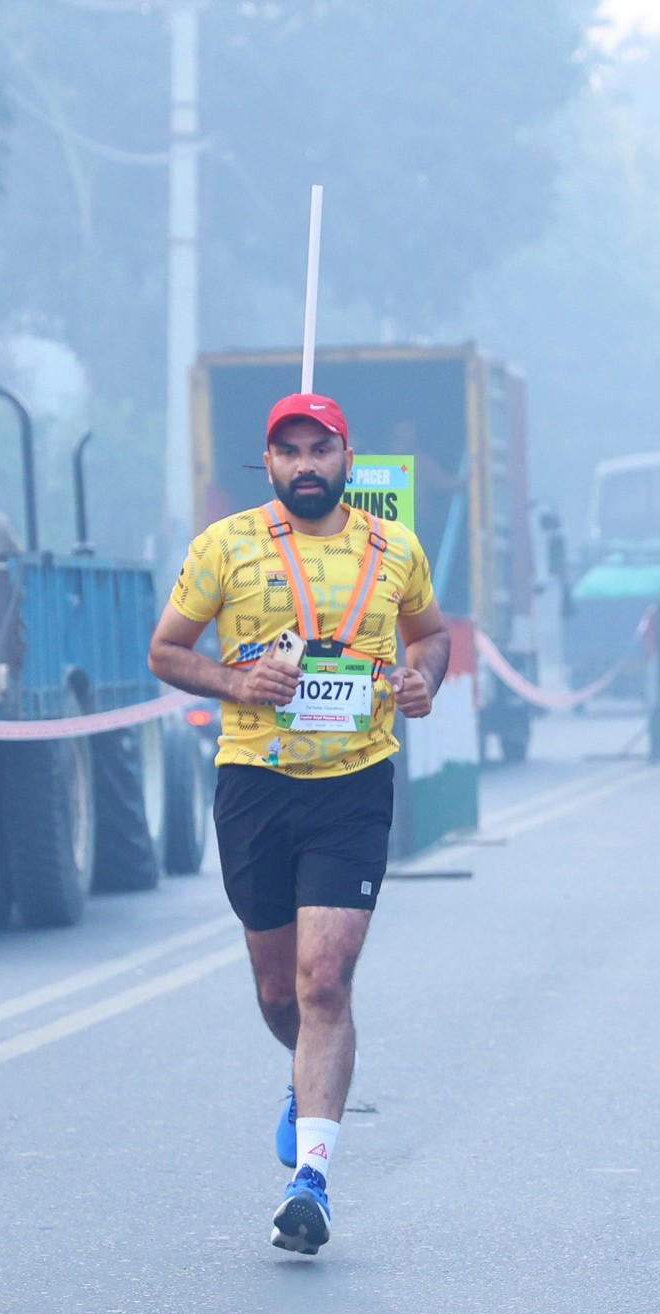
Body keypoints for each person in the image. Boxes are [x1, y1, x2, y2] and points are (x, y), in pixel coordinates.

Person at [146, 392, 451, 1256]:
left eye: (322, 449)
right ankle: (304, 1072)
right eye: (291, 451)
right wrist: (237, 683)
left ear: (348, 459)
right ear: (270, 463)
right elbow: (166, 650)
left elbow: (431, 637)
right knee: (281, 993)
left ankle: (310, 1182)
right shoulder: (225, 546)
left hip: (354, 783)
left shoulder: (394, 548)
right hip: (255, 781)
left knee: (325, 983)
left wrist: (423, 678)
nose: (307, 464)